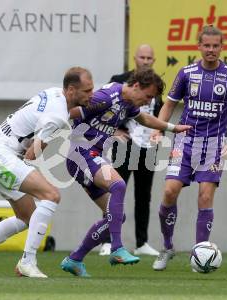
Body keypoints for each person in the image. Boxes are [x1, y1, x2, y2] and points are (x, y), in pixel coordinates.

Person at [0, 67, 94, 278]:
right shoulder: (57, 117)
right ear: (71, 90)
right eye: (87, 91)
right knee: (51, 195)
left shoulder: (53, 93)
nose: (91, 95)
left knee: (27, 217)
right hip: (3, 156)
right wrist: (43, 144)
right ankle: (27, 262)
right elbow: (31, 154)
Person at [60, 68, 191, 277]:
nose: (148, 101)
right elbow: (69, 112)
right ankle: (117, 249)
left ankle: (75, 259)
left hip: (92, 156)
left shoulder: (128, 103)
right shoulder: (106, 97)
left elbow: (146, 119)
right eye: (147, 96)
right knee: (119, 185)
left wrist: (173, 128)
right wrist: (40, 134)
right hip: (81, 153)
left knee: (115, 217)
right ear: (136, 85)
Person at [151, 25, 227, 271]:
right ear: (199, 46)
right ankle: (167, 247)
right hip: (184, 142)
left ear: (222, 47)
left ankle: (200, 255)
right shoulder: (186, 73)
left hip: (214, 145)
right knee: (169, 192)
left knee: (205, 196)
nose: (211, 50)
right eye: (207, 45)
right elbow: (169, 105)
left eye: (216, 46)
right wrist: (159, 128)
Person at [99, 44, 162, 257]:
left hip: (148, 147)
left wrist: (160, 132)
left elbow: (160, 112)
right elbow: (105, 108)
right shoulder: (120, 80)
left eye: (149, 57)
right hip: (125, 144)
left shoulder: (156, 86)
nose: (145, 60)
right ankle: (107, 240)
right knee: (115, 191)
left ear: (154, 60)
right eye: (142, 57)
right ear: (134, 59)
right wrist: (115, 130)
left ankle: (142, 242)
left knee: (144, 195)